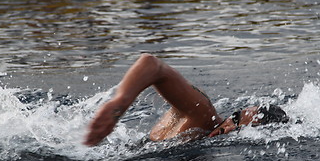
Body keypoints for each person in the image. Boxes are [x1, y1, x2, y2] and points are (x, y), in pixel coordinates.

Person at [84, 53, 288, 146]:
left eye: (240, 129)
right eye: (235, 118)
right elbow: (151, 64)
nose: (228, 128)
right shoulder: (202, 112)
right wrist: (119, 104)